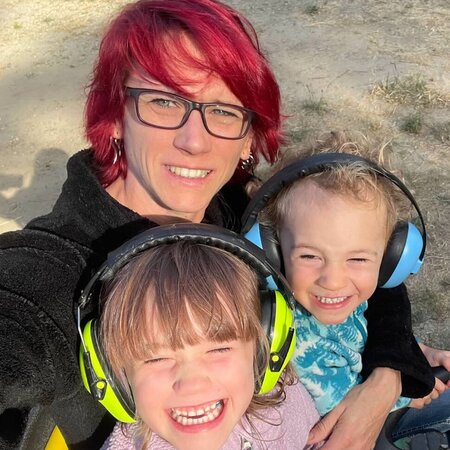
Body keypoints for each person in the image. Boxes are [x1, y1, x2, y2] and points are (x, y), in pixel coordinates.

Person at [0, 1, 434, 449]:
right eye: (164, 101)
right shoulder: (52, 275)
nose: (195, 141)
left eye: (224, 111)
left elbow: (359, 254)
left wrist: (388, 375)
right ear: (112, 117)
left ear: (249, 136)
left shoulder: (228, 204)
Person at [242, 131, 450, 446]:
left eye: (357, 259)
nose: (334, 280)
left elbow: (361, 333)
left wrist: (416, 351)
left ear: (391, 259)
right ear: (271, 252)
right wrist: (408, 394)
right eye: (310, 256)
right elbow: (340, 407)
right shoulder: (296, 339)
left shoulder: (334, 304)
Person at [79, 223, 321, 450]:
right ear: (113, 374)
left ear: (263, 350)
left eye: (219, 350)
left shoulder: (287, 403)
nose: (192, 384)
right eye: (156, 358)